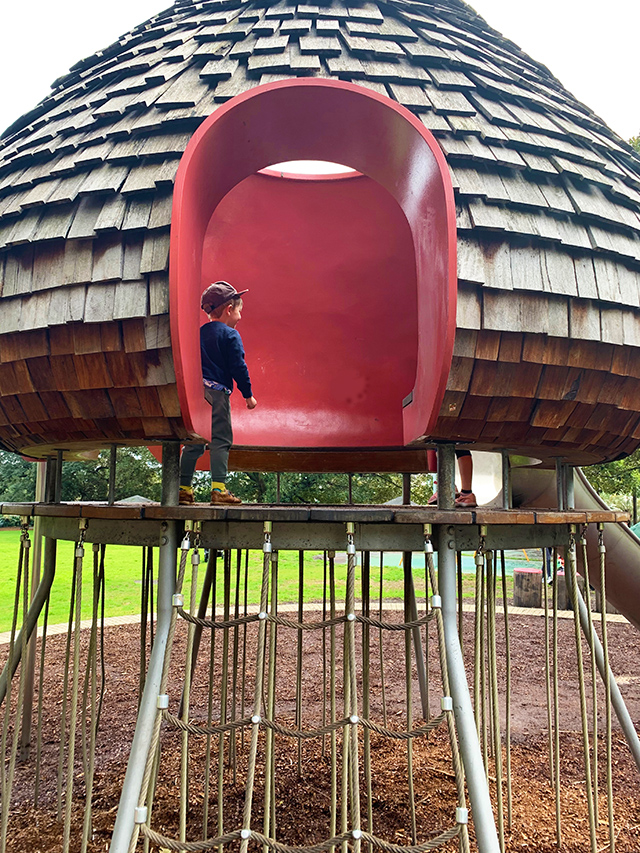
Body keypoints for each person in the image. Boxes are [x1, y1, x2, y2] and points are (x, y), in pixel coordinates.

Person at [178, 281, 257, 506]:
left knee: (194, 440)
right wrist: (248, 394)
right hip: (218, 395)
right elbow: (238, 367)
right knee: (221, 440)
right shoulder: (231, 335)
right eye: (240, 311)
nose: (240, 316)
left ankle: (184, 490)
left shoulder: (198, 334)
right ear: (229, 310)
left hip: (196, 394)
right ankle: (219, 490)